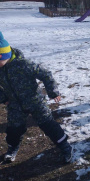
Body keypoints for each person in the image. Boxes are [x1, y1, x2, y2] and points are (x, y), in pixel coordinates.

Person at [0, 31, 73, 163]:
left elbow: (45, 74)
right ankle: (12, 147)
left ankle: (65, 146)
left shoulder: (23, 64)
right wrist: (3, 98)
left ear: (5, 55)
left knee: (48, 124)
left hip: (35, 101)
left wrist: (53, 92)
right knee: (13, 129)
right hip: (15, 104)